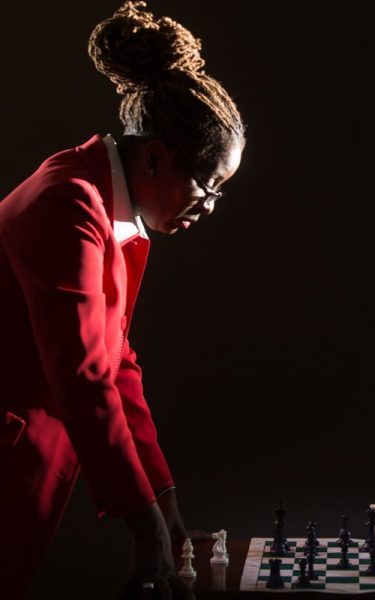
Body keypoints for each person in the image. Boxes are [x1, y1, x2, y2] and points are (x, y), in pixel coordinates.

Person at [0, 2, 245, 598]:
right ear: (155, 157)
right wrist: (144, 527)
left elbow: (116, 360)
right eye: (208, 185)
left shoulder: (109, 208)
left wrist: (163, 499)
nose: (210, 207)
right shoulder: (68, 204)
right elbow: (84, 375)